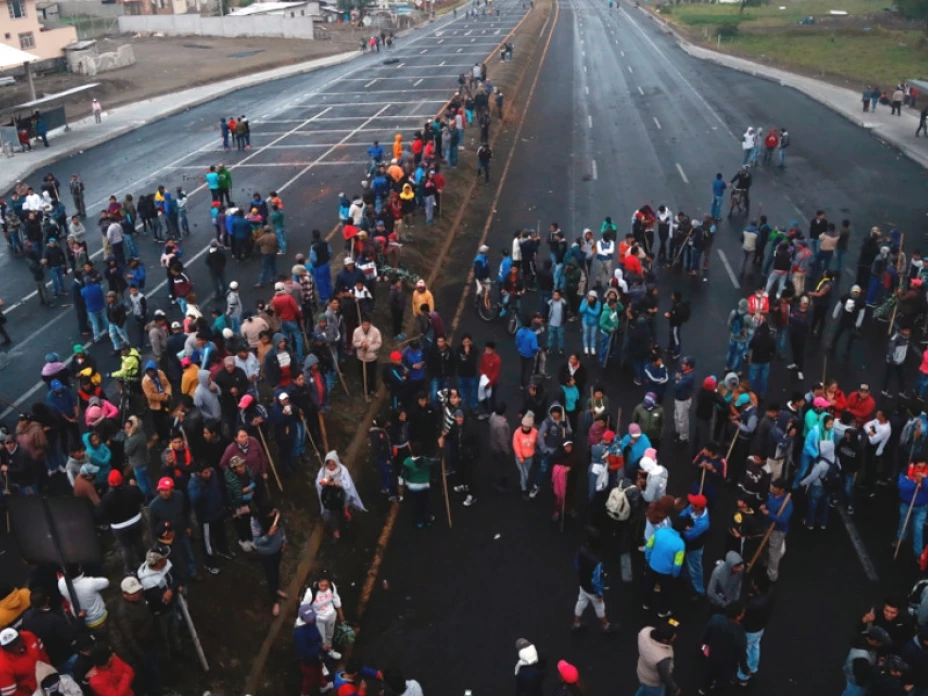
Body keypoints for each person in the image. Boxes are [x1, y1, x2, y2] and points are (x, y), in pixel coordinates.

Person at [699, 602, 750, 695]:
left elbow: (706, 635)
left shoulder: (716, 618)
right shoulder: (739, 634)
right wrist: (745, 669)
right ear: (738, 616)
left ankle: (704, 689)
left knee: (710, 672)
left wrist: (704, 644)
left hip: (713, 654)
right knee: (722, 681)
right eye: (742, 612)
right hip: (727, 662)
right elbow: (741, 654)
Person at [643, 516, 687, 619]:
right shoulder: (680, 544)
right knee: (666, 592)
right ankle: (662, 611)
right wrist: (674, 574)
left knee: (648, 585)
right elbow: (677, 564)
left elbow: (648, 547)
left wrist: (648, 559)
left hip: (652, 566)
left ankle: (646, 604)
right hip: (666, 573)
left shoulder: (660, 532)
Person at [315, 451, 366, 540]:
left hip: (340, 497)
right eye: (329, 464)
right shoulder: (323, 471)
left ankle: (345, 512)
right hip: (330, 500)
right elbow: (318, 484)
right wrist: (323, 483)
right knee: (332, 515)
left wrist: (336, 484)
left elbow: (347, 486)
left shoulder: (342, 470)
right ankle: (336, 532)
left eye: (333, 464)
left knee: (342, 509)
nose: (331, 467)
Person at [636, 620, 681, 696]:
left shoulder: (644, 632)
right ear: (664, 641)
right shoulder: (662, 657)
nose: (675, 635)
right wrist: (675, 689)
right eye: (673, 635)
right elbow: (665, 676)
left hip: (642, 672)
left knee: (643, 690)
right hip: (653, 683)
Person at [0, 627, 50, 696]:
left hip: (48, 678)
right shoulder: (2, 666)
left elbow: (43, 654)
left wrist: (51, 673)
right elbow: (12, 693)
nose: (16, 647)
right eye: (11, 646)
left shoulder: (29, 636)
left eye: (17, 642)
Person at [762, 478, 794, 582]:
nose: (773, 488)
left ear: (781, 490)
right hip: (767, 525)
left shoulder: (788, 503)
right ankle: (765, 563)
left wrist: (768, 514)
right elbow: (768, 504)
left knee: (774, 552)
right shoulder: (771, 496)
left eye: (775, 487)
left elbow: (783, 519)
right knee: (766, 546)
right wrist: (764, 506)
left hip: (778, 530)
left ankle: (772, 576)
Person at [897, 461, 928, 562]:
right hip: (906, 504)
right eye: (918, 466)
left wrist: (924, 480)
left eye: (923, 467)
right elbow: (902, 486)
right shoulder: (905, 471)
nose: (920, 469)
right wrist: (914, 481)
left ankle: (918, 552)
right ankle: (900, 540)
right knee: (903, 524)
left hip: (921, 506)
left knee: (918, 529)